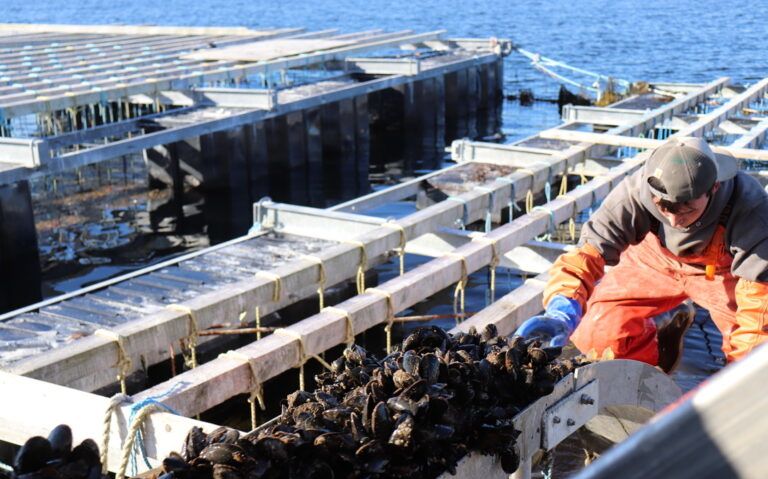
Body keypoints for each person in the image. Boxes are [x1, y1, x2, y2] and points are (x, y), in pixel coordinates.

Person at [515, 136, 768, 371]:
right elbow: (586, 256)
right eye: (663, 208)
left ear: (713, 188)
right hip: (654, 261)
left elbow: (758, 311)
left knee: (751, 358)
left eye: (686, 210)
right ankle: (649, 375)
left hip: (723, 273)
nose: (673, 220)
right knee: (598, 332)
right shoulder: (634, 192)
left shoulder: (752, 210)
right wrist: (562, 310)